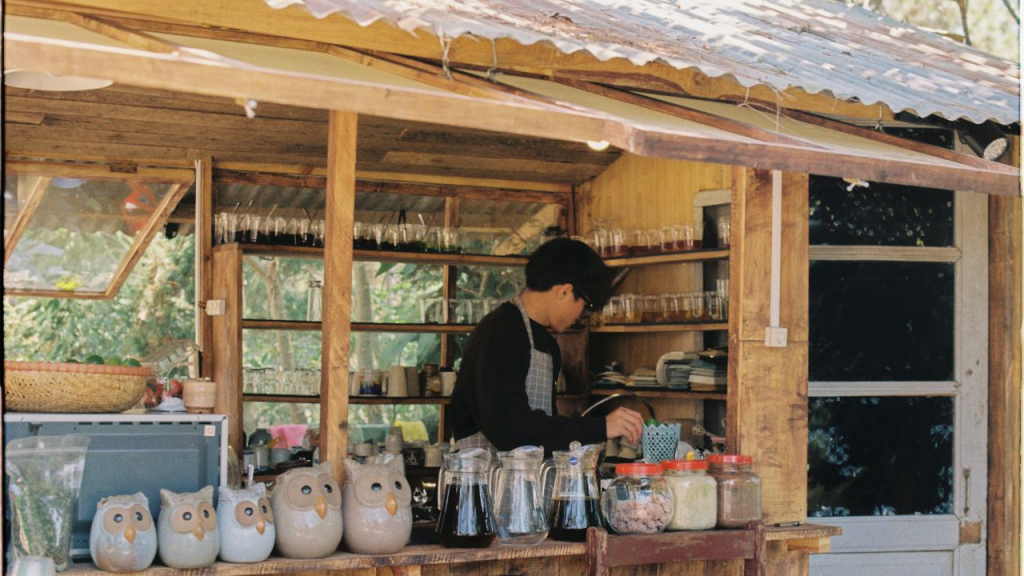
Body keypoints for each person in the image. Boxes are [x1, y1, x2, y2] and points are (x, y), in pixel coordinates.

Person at [450, 237, 644, 455]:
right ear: (564, 292)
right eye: (585, 307)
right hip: (483, 481)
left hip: (528, 480)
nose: (582, 316)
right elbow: (508, 429)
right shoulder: (500, 331)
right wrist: (598, 427)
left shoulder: (547, 344)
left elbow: (541, 431)